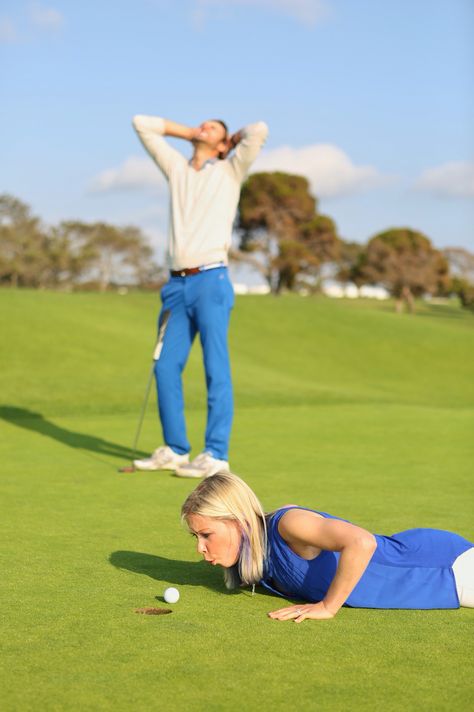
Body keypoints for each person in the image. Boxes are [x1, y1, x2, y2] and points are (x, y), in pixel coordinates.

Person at [131, 114, 268, 478]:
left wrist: (231, 141)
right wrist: (191, 133)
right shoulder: (177, 169)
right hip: (176, 286)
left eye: (213, 128)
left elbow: (260, 130)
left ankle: (215, 454)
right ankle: (176, 449)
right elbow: (141, 123)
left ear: (224, 145)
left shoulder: (230, 171)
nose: (203, 127)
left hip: (212, 280)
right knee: (165, 367)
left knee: (214, 366)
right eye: (201, 124)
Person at [181, 472, 474, 621]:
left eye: (207, 535)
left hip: (444, 567)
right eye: (197, 538)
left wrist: (327, 607)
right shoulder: (256, 553)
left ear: (238, 520)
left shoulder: (287, 525)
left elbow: (362, 542)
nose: (200, 549)